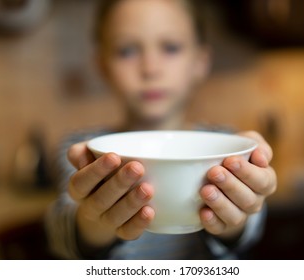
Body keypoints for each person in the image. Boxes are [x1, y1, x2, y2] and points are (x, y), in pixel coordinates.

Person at [45, 0, 277, 259]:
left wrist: (239, 216)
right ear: (102, 66)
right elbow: (65, 237)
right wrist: (93, 219)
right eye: (126, 51)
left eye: (170, 47)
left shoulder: (228, 145)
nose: (150, 68)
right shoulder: (85, 150)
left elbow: (247, 233)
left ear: (200, 61)